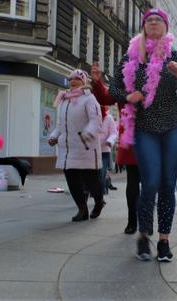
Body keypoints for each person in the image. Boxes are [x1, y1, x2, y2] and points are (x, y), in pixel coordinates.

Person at [110, 8, 177, 262]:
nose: (154, 23)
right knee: (151, 183)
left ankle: (164, 241)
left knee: (168, 183)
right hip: (145, 126)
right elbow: (114, 87)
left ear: (166, 28)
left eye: (158, 20)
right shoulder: (131, 57)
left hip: (173, 126)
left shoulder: (175, 55)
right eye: (149, 20)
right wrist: (127, 96)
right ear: (144, 27)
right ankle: (144, 235)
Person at [91, 61, 141, 234]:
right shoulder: (123, 87)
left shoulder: (153, 78)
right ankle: (132, 220)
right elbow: (106, 97)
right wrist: (97, 82)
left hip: (152, 136)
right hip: (131, 138)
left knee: (150, 184)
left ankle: (145, 219)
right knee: (133, 181)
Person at [49, 69, 105, 222]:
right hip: (68, 149)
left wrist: (87, 133)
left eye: (77, 79)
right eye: (71, 78)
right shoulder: (65, 100)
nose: (73, 81)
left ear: (84, 82)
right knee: (72, 180)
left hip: (85, 147)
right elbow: (61, 125)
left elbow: (96, 120)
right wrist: (54, 136)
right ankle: (82, 209)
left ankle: (99, 202)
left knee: (91, 181)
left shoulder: (89, 99)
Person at [99, 105, 118, 194]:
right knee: (92, 174)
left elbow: (114, 133)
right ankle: (96, 191)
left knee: (102, 172)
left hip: (104, 151)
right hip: (91, 151)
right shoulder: (91, 116)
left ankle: (100, 193)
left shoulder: (109, 118)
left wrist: (109, 141)